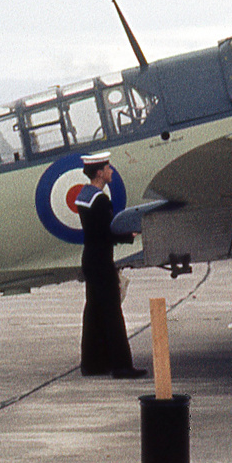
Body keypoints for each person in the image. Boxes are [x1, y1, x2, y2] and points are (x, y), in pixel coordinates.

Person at [75, 152, 147, 378]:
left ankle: (92, 364)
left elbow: (96, 232)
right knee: (112, 312)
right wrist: (129, 234)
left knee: (93, 311)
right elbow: (107, 233)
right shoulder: (101, 200)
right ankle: (121, 366)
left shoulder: (83, 196)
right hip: (101, 260)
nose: (111, 171)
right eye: (108, 168)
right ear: (99, 172)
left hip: (90, 258)